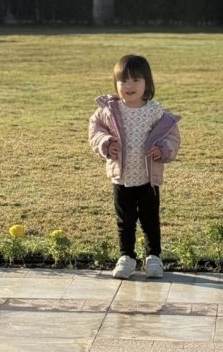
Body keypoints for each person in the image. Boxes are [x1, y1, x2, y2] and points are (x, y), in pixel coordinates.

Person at [88, 53, 181, 279]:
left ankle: (154, 258)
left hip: (148, 178)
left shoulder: (155, 111)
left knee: (150, 219)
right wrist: (105, 143)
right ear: (116, 84)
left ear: (147, 83)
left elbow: (171, 136)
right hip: (122, 177)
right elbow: (95, 129)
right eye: (124, 81)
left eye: (136, 80)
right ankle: (126, 257)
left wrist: (163, 150)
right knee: (125, 220)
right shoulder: (110, 110)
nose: (129, 86)